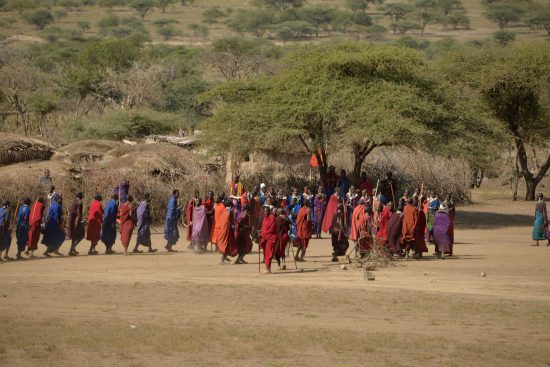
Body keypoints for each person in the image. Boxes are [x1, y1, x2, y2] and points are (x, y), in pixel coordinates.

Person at [216, 200, 237, 264]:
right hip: (227, 230)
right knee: (227, 244)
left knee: (226, 244)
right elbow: (231, 220)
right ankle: (222, 259)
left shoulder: (224, 210)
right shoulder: (229, 211)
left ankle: (224, 258)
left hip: (223, 229)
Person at [259, 206, 277, 274]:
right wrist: (261, 232)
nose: (265, 212)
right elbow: (264, 227)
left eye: (266, 211)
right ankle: (267, 268)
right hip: (265, 237)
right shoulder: (264, 218)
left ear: (269, 211)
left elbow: (271, 230)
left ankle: (268, 269)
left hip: (270, 238)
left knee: (269, 254)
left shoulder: (272, 218)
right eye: (264, 211)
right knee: (266, 253)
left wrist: (262, 234)